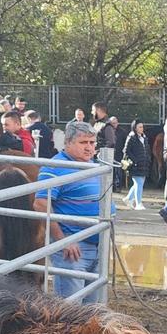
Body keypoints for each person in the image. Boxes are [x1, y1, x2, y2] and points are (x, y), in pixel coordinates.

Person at [37, 121, 107, 305]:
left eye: (92, 143)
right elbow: (40, 203)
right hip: (73, 246)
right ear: (68, 142)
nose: (89, 148)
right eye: (83, 143)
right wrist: (63, 240)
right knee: (71, 310)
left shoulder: (93, 165)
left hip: (96, 244)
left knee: (94, 310)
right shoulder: (55, 166)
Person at [121, 122, 152, 208]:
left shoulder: (144, 138)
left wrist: (148, 159)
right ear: (135, 128)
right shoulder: (131, 137)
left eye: (142, 127)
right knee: (139, 183)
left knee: (139, 184)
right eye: (139, 127)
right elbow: (126, 150)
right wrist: (135, 160)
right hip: (135, 165)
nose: (142, 129)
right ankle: (138, 203)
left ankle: (128, 198)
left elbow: (147, 149)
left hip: (144, 164)